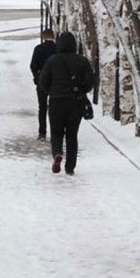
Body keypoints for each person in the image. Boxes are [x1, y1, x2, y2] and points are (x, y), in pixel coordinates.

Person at [40, 32, 95, 176]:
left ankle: (57, 153)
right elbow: (90, 82)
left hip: (56, 101)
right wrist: (81, 90)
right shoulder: (82, 61)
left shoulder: (52, 60)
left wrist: (51, 91)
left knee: (56, 132)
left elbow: (43, 81)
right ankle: (70, 167)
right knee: (72, 135)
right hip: (75, 102)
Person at [29, 29, 57, 140]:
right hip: (56, 82)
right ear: (53, 37)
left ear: (43, 37)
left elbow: (33, 65)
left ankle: (42, 132)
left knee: (42, 107)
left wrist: (37, 76)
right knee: (55, 108)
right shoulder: (58, 49)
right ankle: (56, 132)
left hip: (42, 81)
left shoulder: (38, 49)